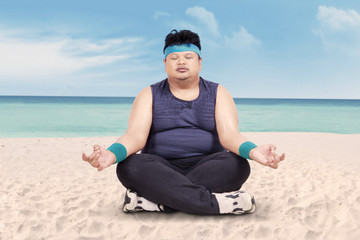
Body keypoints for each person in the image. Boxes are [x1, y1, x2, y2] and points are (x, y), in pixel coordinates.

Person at [82, 29, 285, 215]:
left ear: (199, 62)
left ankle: (153, 201)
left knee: (237, 165)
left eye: (188, 57)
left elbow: (230, 135)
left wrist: (253, 151)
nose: (181, 62)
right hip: (159, 167)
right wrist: (111, 153)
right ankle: (219, 204)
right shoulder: (148, 94)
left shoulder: (218, 93)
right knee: (129, 166)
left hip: (208, 165)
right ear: (165, 63)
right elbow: (135, 136)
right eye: (174, 57)